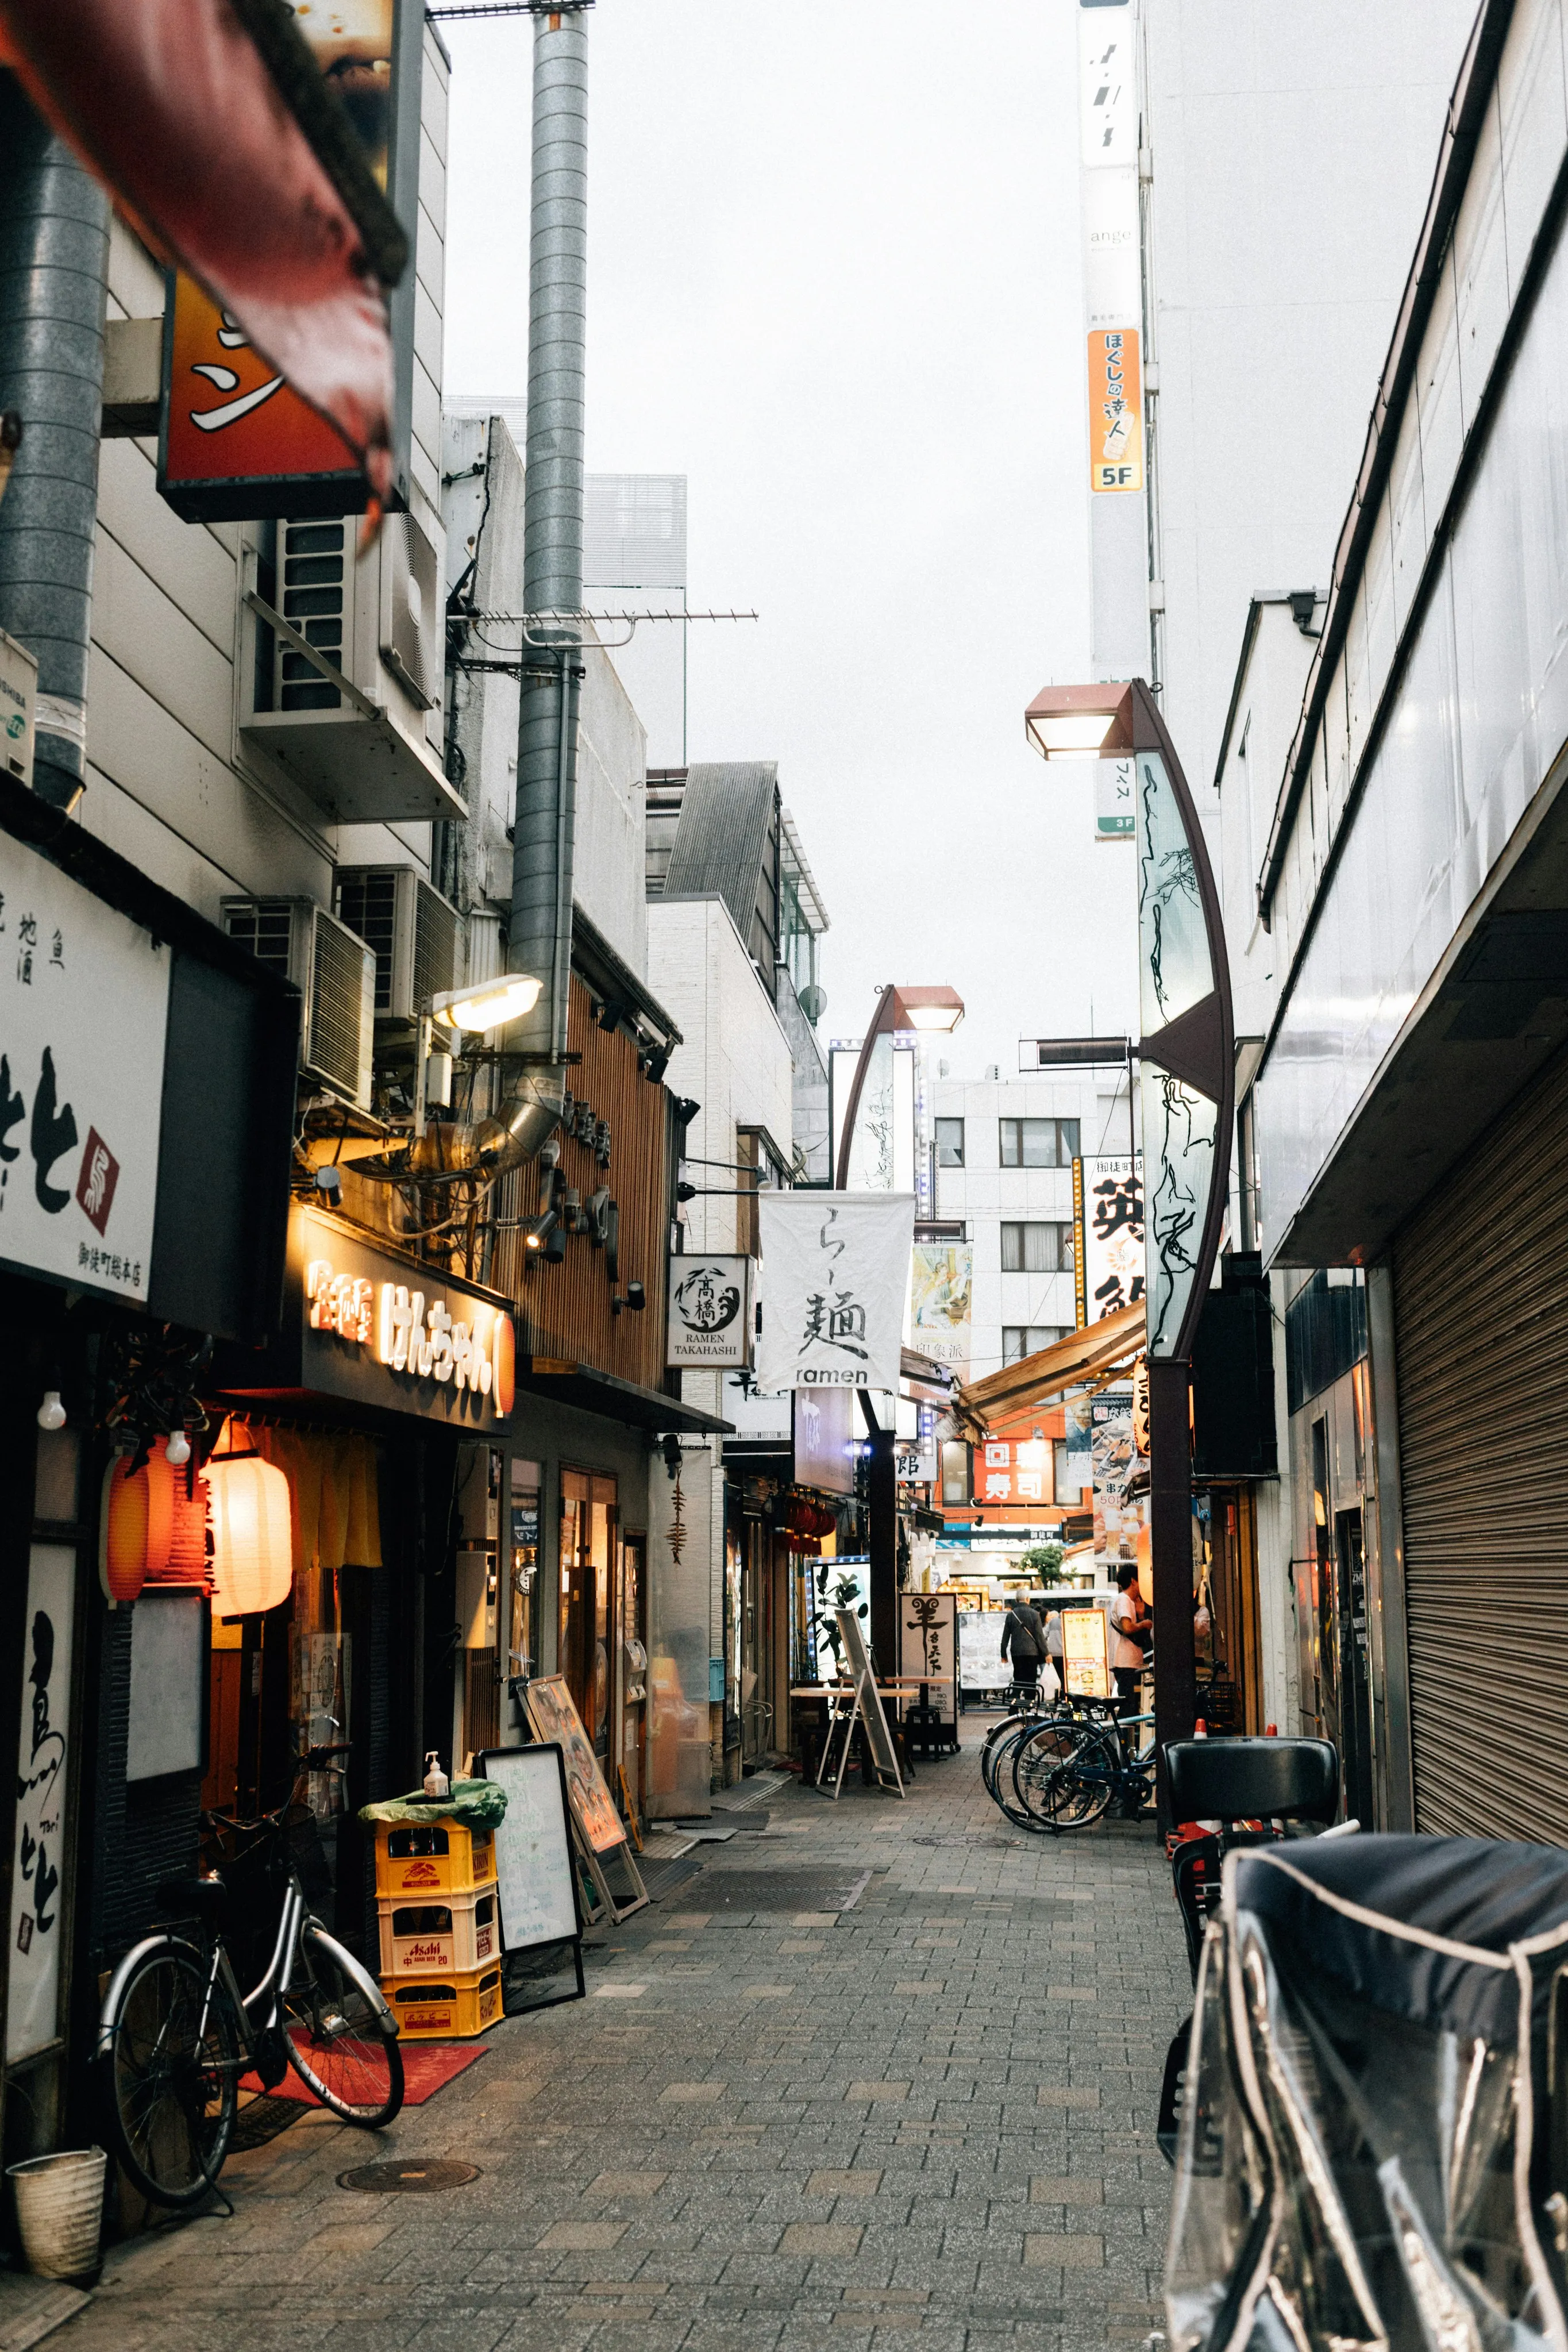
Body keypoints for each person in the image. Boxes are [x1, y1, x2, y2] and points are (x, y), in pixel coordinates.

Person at [1109, 1562, 1148, 1722]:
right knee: (1128, 1709)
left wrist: (1140, 1614)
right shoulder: (1124, 1600)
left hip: (1128, 1662)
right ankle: (1123, 1737)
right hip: (1125, 1663)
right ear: (1133, 1581)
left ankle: (1124, 1736)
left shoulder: (1128, 1601)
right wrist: (1144, 1623)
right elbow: (1127, 1627)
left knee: (1130, 1707)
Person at [999, 1593, 1045, 1696]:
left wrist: (1003, 1655)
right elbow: (1040, 1636)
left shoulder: (1011, 1615)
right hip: (1032, 1653)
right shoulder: (1035, 1614)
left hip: (1017, 1653)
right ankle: (1030, 1702)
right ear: (1028, 1599)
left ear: (1016, 1600)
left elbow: (1005, 1637)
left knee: (1018, 1678)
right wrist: (1046, 1653)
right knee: (1031, 1681)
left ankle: (1015, 1701)